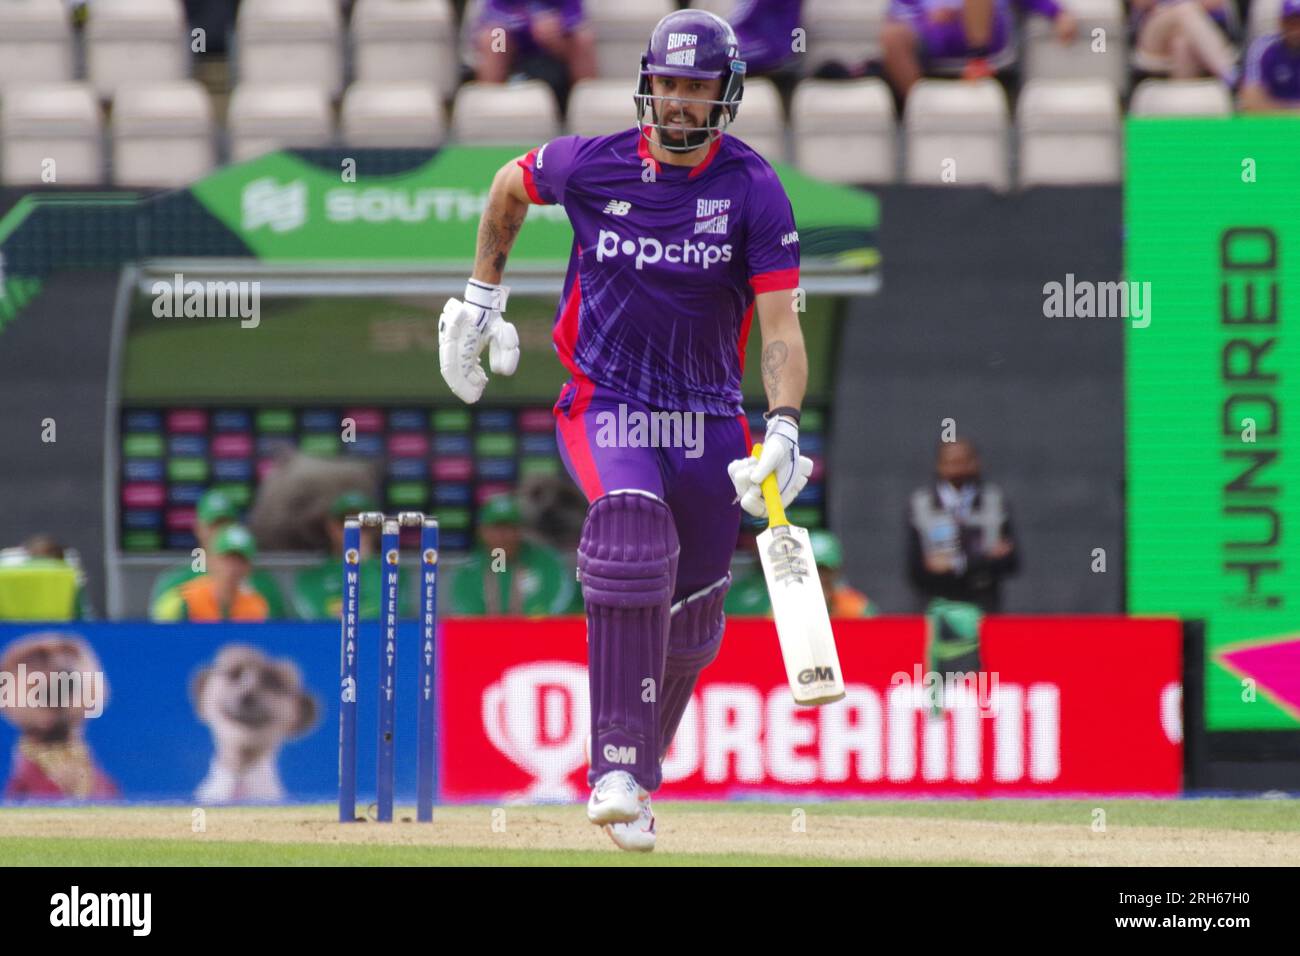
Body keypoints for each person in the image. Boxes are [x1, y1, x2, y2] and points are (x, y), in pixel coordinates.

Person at [439, 9, 813, 852]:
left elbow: (782, 328)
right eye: (670, 85)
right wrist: (481, 298)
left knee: (694, 625)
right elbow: (508, 185)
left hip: (711, 418)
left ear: (727, 94)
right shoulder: (591, 163)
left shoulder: (753, 189)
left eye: (698, 88)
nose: (681, 103)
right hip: (605, 402)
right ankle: (610, 766)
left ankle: (636, 779)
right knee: (631, 529)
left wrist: (782, 430)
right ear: (649, 83)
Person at [906, 438, 1020, 613]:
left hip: (983, 602)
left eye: (964, 461)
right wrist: (985, 557)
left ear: (975, 462)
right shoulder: (921, 504)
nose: (958, 468)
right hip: (936, 604)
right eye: (952, 462)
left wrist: (958, 564)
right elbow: (917, 569)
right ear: (940, 465)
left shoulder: (994, 501)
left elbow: (1009, 561)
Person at [881, 0, 1077, 97]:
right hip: (932, 37)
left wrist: (1057, 13)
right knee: (892, 36)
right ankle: (920, 108)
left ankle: (978, 61)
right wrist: (929, 19)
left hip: (985, 33)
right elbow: (899, 14)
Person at [149, 489, 286, 620]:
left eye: (226, 523)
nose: (219, 531)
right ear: (198, 528)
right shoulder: (177, 581)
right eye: (213, 525)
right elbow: (160, 634)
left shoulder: (263, 585)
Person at [290, 491, 415, 621]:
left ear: (376, 527)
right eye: (347, 523)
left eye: (365, 524)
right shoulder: (310, 578)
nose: (357, 530)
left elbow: (391, 613)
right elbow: (312, 619)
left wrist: (365, 560)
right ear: (331, 526)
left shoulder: (395, 573)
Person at [448, 494, 580, 615]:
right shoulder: (469, 570)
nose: (502, 536)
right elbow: (465, 614)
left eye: (509, 528)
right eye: (496, 528)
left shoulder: (547, 562)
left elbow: (559, 606)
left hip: (536, 637)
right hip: (485, 639)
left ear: (520, 531)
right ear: (482, 532)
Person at [151, 525, 270, 622]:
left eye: (240, 561)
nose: (232, 568)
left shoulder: (256, 606)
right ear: (211, 561)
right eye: (226, 559)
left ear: (248, 568)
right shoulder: (184, 600)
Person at [474, 0, 596, 85]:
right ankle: (491, 101)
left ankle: (588, 107)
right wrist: (528, 24)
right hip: (515, 46)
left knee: (582, 38)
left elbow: (576, 16)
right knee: (494, 37)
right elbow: (492, 16)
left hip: (557, 46)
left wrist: (557, 25)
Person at [1131, 0, 1238, 83]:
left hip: (1201, 32)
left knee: (1182, 43)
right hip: (1156, 32)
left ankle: (1181, 103)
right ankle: (1229, 75)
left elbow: (1215, 2)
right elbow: (1141, 3)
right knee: (1184, 10)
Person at [1238, 0, 1300, 112]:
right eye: (1292, 23)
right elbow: (1251, 101)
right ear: (1281, 23)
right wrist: (1293, 112)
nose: (1296, 30)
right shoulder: (1264, 48)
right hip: (1272, 123)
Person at [810, 529, 878, 617]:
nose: (819, 577)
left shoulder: (858, 610)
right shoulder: (790, 609)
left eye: (824, 569)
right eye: (812, 569)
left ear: (837, 571)